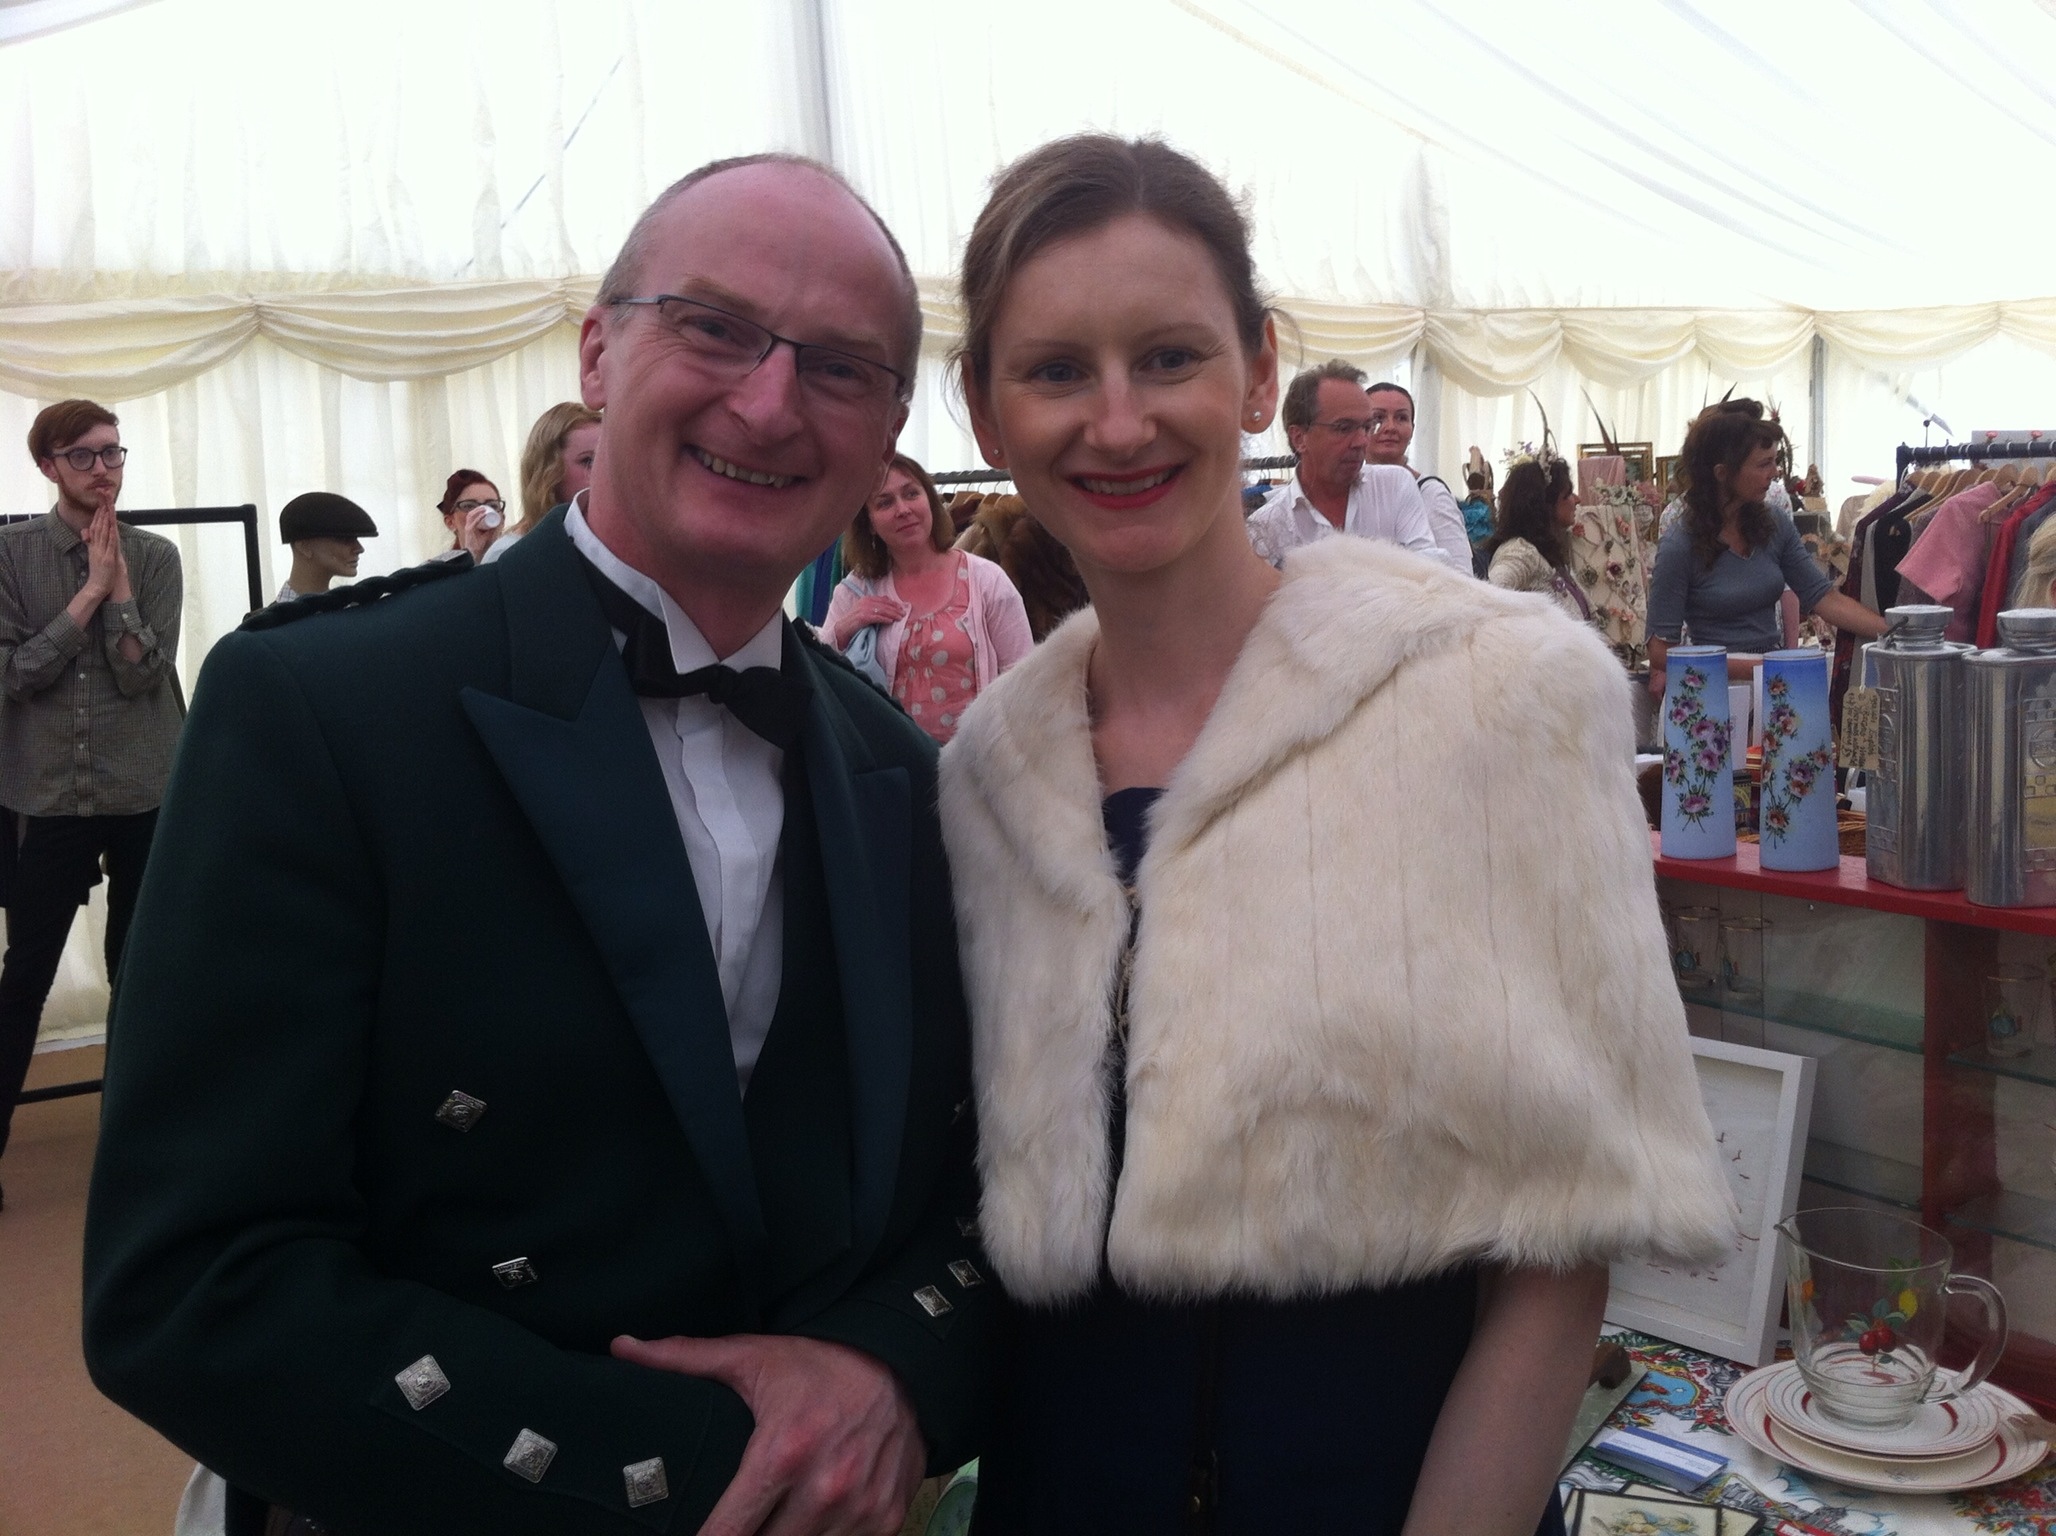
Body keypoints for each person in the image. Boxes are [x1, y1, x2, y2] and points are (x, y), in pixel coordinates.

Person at [84, 153, 995, 1536]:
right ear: (599, 354)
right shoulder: (323, 708)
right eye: (715, 328)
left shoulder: (907, 777)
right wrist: (705, 1474)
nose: (768, 401)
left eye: (839, 367)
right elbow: (194, 1281)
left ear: (888, 436)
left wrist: (886, 1373)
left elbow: (973, 1187)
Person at [942, 133, 1735, 1535]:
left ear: (1259, 372)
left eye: (1169, 357)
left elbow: (1562, 1251)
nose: (1117, 423)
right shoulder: (988, 779)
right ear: (986, 414)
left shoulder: (1490, 696)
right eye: (1056, 370)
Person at [0, 400, 183, 1212]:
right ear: (48, 465)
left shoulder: (156, 556)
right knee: (26, 976)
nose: (104, 469)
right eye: (84, 455)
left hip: (142, 789)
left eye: (113, 452)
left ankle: (137, 1151)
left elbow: (143, 675)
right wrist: (89, 596)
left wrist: (120, 590)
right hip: (48, 796)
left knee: (138, 973)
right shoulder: (10, 556)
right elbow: (14, 675)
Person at [1647, 399, 1885, 691]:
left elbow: (1824, 598)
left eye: (1775, 460)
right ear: (1722, 473)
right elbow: (1659, 652)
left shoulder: (1774, 524)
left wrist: (1892, 632)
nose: (1775, 472)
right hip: (1712, 692)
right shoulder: (1680, 543)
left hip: (1772, 685)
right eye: (1763, 464)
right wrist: (1757, 667)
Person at [822, 453, 1033, 743]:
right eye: (885, 502)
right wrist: (843, 629)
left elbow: (1023, 677)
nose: (903, 509)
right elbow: (819, 671)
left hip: (975, 761)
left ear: (930, 501)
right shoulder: (855, 591)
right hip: (892, 761)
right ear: (868, 522)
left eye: (911, 494)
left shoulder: (986, 580)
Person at [1244, 359, 1443, 567]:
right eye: (1344, 428)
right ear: (1299, 438)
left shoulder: (1394, 486)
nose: (1362, 441)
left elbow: (1431, 570)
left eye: (1367, 427)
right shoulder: (1267, 529)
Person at [1362, 378, 1475, 570]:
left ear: (1412, 430)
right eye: (1378, 418)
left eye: (1401, 418)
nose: (1390, 427)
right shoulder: (1350, 490)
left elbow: (1461, 574)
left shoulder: (1431, 495)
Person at [485, 402, 603, 565]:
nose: (603, 472)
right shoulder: (508, 554)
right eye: (588, 461)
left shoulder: (600, 545)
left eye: (607, 460)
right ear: (549, 472)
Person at [1484, 454, 1593, 625]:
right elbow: (1489, 598)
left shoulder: (1545, 553)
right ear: (1545, 504)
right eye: (1568, 494)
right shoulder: (1519, 552)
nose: (1577, 500)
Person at [274, 491, 379, 602]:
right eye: (344, 538)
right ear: (304, 547)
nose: (359, 549)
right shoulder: (278, 616)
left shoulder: (350, 609)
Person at [438, 468, 506, 563]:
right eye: (469, 506)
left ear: (502, 519)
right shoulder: (441, 567)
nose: (482, 514)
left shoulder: (517, 558)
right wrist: (471, 556)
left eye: (492, 506)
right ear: (450, 522)